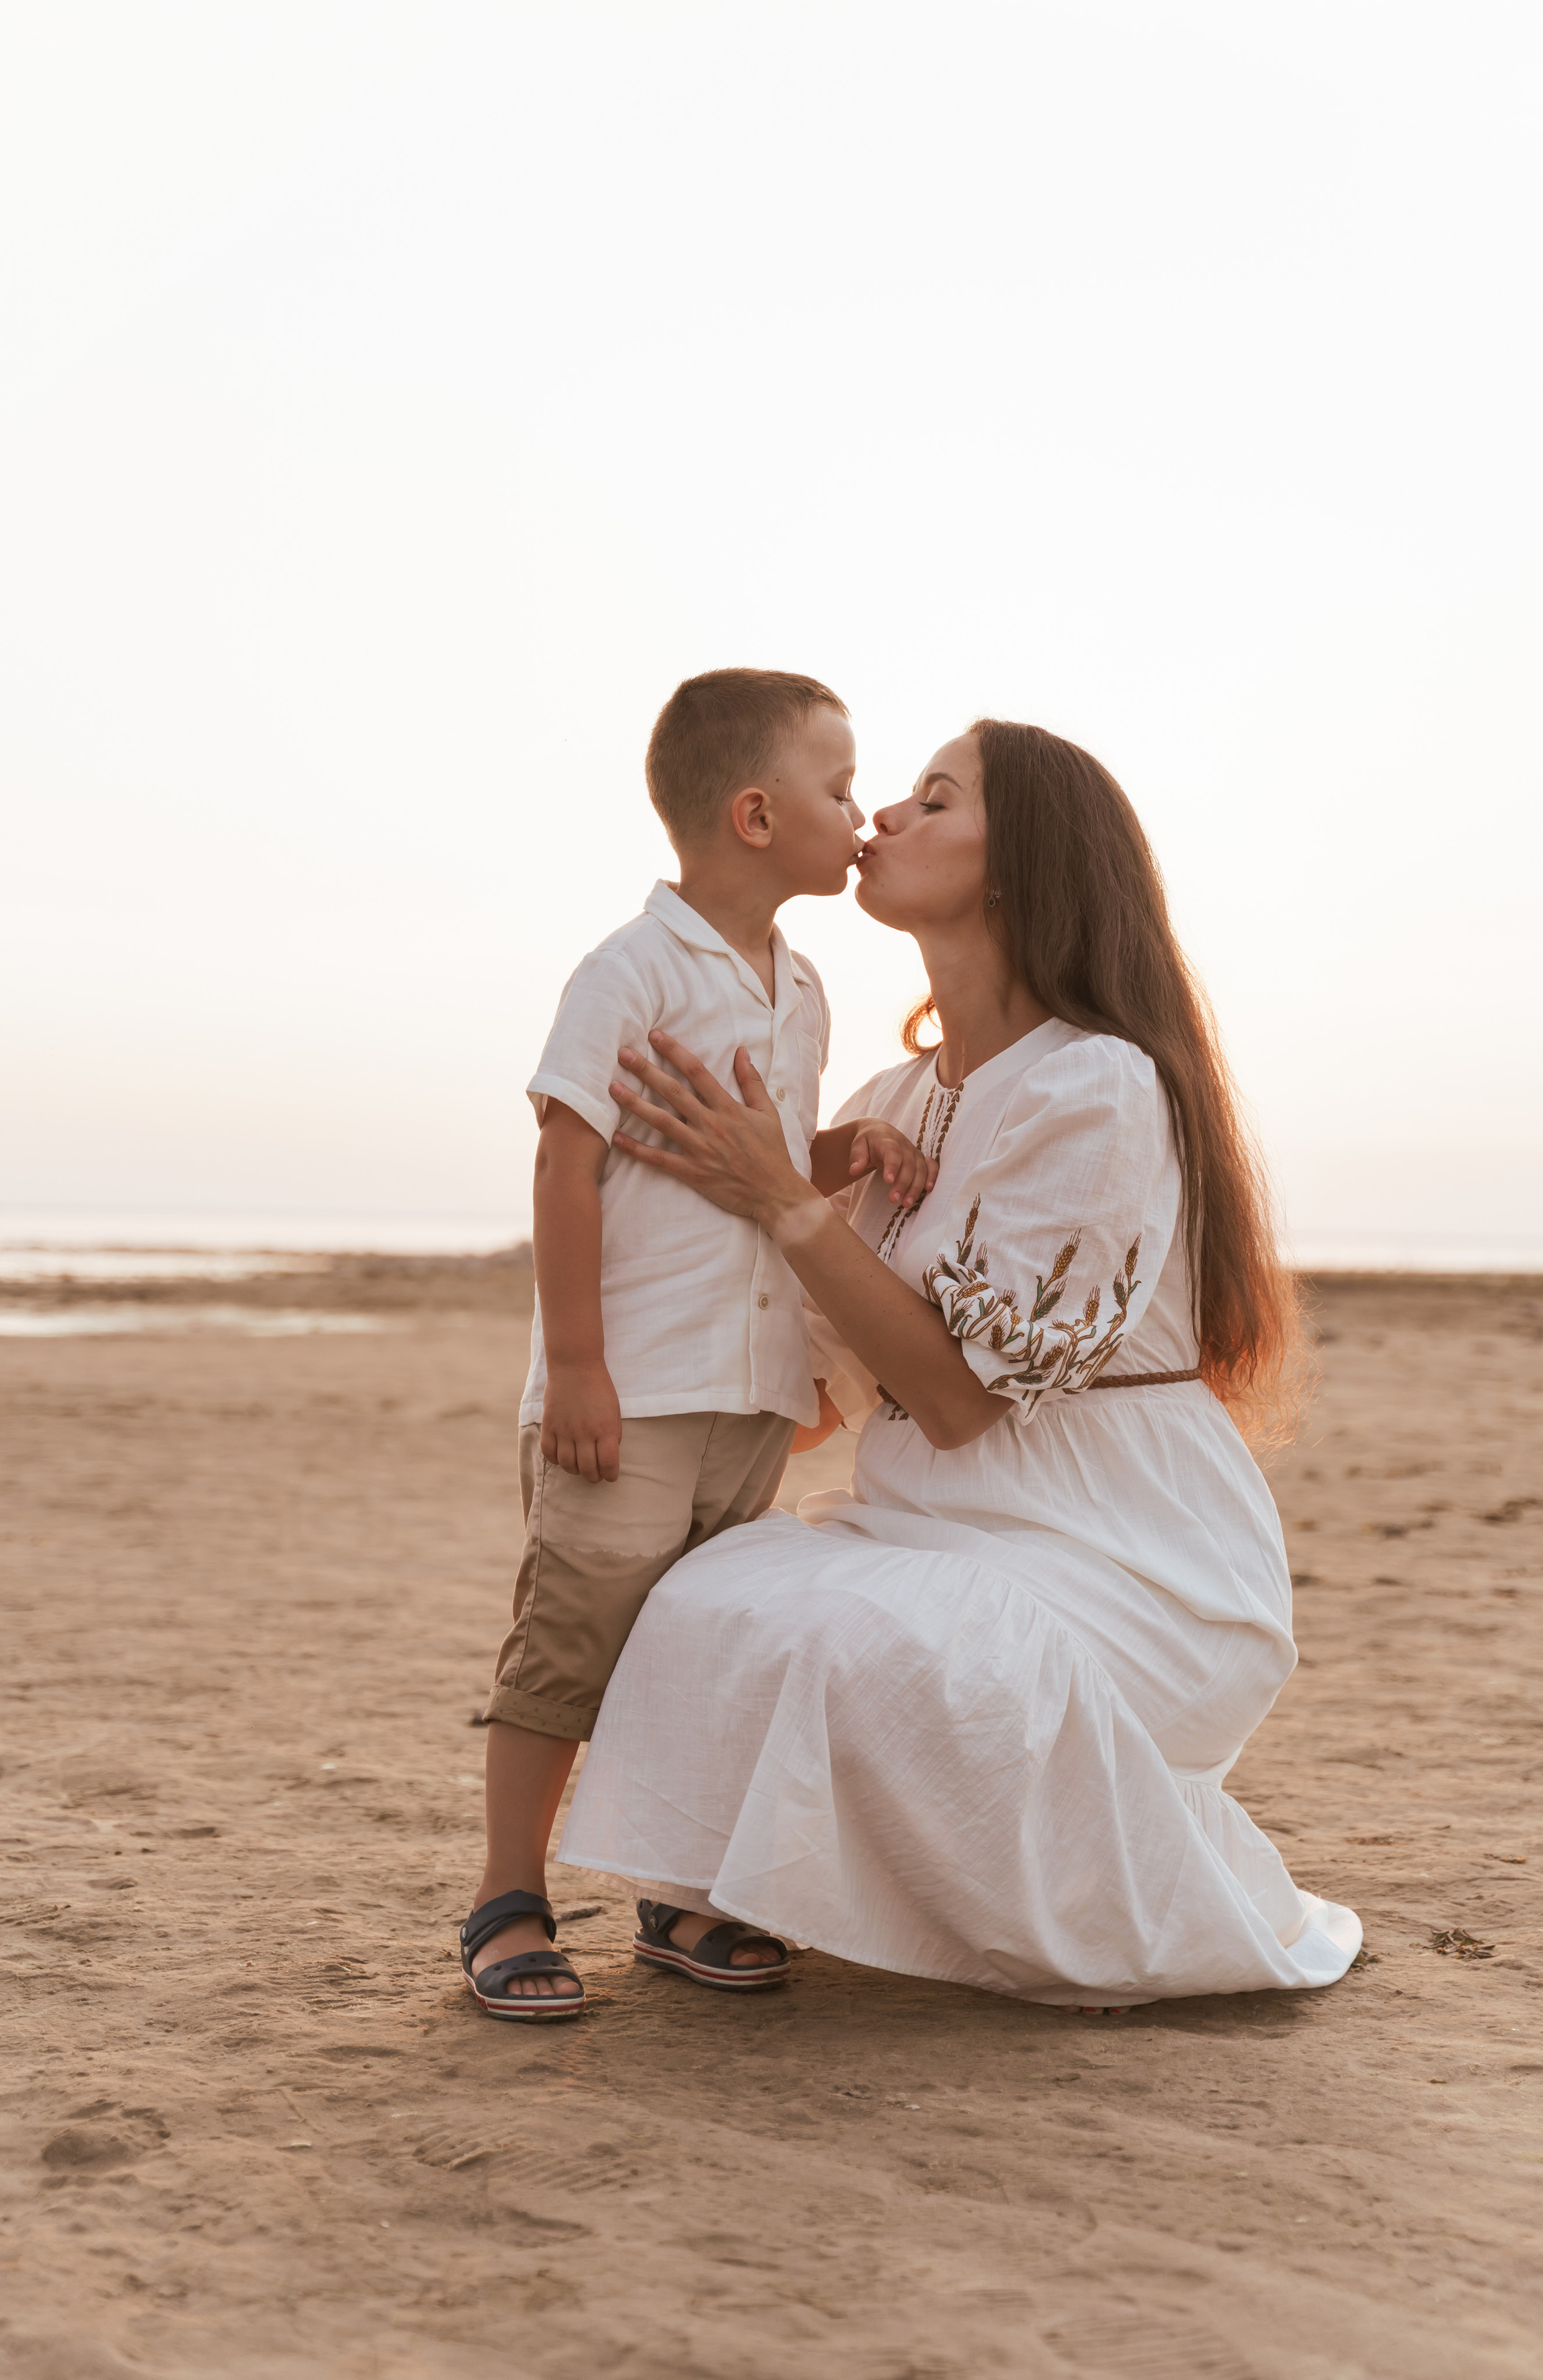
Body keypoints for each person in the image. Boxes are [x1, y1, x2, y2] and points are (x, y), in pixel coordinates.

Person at [558, 718, 1362, 2011]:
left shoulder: (1094, 1086)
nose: (878, 817)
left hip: (1123, 1566)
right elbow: (827, 1383)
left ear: (1017, 867)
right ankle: (703, 1897)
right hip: (928, 1530)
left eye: (932, 801)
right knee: (704, 1594)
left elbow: (949, 1394)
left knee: (851, 1646)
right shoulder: (898, 1091)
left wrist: (779, 1195)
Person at [462, 669, 937, 2019]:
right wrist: (581, 1370)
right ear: (750, 813)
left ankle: (671, 1901)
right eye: (839, 789)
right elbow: (566, 1166)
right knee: (571, 1643)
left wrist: (852, 1150)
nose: (860, 813)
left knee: (695, 1642)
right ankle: (507, 1897)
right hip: (634, 1386)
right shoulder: (626, 971)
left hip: (747, 1393)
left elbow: (768, 1165)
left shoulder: (801, 989)